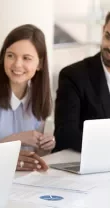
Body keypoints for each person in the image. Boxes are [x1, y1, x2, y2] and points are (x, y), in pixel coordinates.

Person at [0, 24, 54, 171]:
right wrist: (20, 137)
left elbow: (37, 155)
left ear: (40, 64)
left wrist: (46, 144)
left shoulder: (37, 99)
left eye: (26, 58)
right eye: (11, 55)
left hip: (25, 180)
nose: (17, 64)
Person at [54, 12, 110, 152]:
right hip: (81, 163)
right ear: (103, 30)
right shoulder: (74, 76)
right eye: (108, 37)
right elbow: (65, 135)